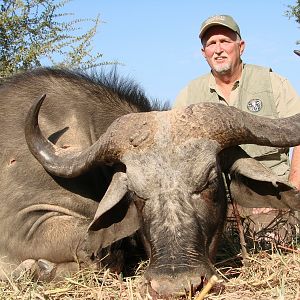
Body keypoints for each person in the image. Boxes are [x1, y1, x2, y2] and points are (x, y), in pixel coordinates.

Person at [174, 14, 300, 244]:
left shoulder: (273, 83)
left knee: (269, 241)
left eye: (225, 41)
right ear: (204, 53)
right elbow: (175, 155)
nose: (218, 49)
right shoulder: (188, 96)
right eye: (211, 44)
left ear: (240, 46)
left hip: (270, 197)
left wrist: (292, 192)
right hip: (216, 206)